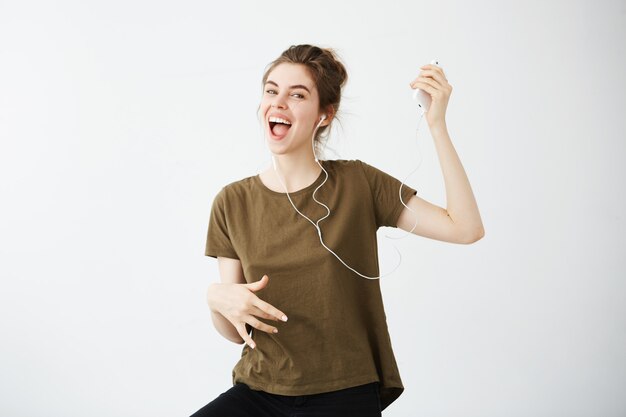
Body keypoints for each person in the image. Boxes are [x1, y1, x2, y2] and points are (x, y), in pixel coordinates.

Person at [191, 44, 484, 417]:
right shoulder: (231, 202)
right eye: (271, 90)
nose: (278, 102)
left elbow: (465, 228)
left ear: (324, 115)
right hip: (260, 391)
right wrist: (216, 297)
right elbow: (236, 331)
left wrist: (437, 125)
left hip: (344, 394)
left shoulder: (358, 184)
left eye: (297, 95)